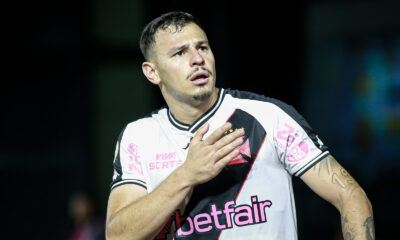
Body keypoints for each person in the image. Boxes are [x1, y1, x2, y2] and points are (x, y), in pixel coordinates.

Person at [105, 11, 374, 240]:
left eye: (202, 47)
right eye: (179, 53)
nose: (197, 59)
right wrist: (186, 175)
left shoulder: (269, 116)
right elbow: (117, 235)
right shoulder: (139, 137)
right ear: (152, 72)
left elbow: (350, 196)